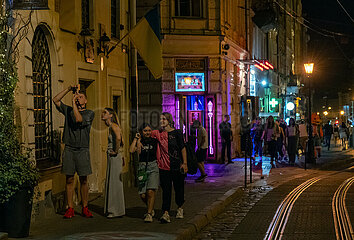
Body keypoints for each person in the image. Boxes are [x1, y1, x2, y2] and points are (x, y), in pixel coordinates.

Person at [53, 85, 95, 219]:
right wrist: (68, 89)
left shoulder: (89, 113)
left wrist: (73, 103)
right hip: (69, 148)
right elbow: (55, 100)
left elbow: (78, 119)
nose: (78, 99)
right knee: (69, 179)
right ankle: (70, 207)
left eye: (81, 97)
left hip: (82, 150)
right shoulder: (68, 110)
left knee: (83, 179)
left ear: (86, 101)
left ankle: (85, 207)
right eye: (77, 97)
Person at [151, 112, 188, 223]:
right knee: (166, 190)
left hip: (176, 165)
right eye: (160, 119)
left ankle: (179, 207)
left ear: (169, 121)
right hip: (164, 167)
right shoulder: (158, 133)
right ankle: (165, 212)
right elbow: (146, 133)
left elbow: (182, 148)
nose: (161, 121)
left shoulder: (176, 133)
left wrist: (185, 163)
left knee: (179, 188)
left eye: (164, 119)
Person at [129, 123, 159, 223]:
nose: (147, 133)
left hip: (153, 166)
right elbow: (131, 150)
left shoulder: (154, 141)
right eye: (145, 131)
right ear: (141, 132)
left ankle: (149, 214)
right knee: (142, 194)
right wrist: (136, 139)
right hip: (142, 167)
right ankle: (150, 207)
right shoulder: (139, 141)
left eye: (149, 130)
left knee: (150, 191)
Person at [101, 108, 125, 218]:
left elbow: (119, 139)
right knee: (112, 180)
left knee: (114, 181)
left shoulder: (113, 126)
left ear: (110, 115)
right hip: (113, 156)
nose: (102, 114)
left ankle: (114, 210)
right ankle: (114, 209)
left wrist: (115, 151)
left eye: (105, 113)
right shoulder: (112, 126)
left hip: (114, 156)